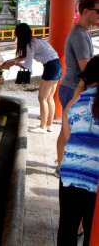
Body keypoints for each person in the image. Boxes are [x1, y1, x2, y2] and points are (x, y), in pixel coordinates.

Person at [57, 56, 99, 246]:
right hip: (95, 181)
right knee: (92, 232)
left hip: (71, 175)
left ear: (86, 78)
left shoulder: (75, 104)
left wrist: (81, 85)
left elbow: (68, 139)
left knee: (67, 228)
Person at [55, 0, 99, 176]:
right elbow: (86, 69)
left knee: (66, 127)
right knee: (70, 129)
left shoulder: (82, 33)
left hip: (71, 86)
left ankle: (61, 162)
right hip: (74, 88)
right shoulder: (79, 35)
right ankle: (63, 165)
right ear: (86, 11)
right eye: (98, 11)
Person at [1, 23, 62, 133]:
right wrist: (11, 61)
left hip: (51, 67)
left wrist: (15, 63)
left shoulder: (30, 45)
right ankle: (49, 125)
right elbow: (25, 57)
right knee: (49, 98)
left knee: (42, 98)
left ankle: (42, 127)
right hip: (57, 65)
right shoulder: (35, 40)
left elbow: (27, 66)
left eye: (17, 35)